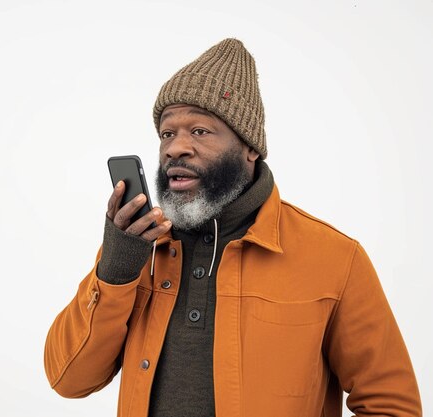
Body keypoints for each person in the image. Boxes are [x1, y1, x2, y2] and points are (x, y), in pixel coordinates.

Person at [43, 38, 422, 417]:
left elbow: (391, 404)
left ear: (250, 147)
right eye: (167, 133)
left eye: (200, 131)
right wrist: (116, 268)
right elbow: (69, 380)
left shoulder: (336, 259)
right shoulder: (138, 248)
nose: (176, 148)